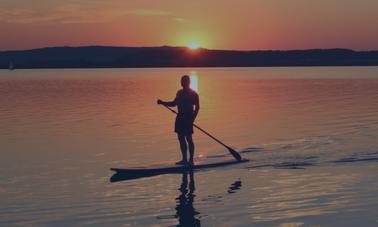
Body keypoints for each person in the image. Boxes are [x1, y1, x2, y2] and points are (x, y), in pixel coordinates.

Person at [157, 75, 200, 166]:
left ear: (188, 82)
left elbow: (197, 108)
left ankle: (191, 160)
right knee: (180, 138)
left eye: (184, 81)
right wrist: (162, 103)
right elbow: (174, 103)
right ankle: (184, 159)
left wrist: (192, 119)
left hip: (188, 118)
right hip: (180, 118)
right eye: (182, 81)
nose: (183, 83)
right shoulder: (179, 93)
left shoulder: (194, 94)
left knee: (188, 138)